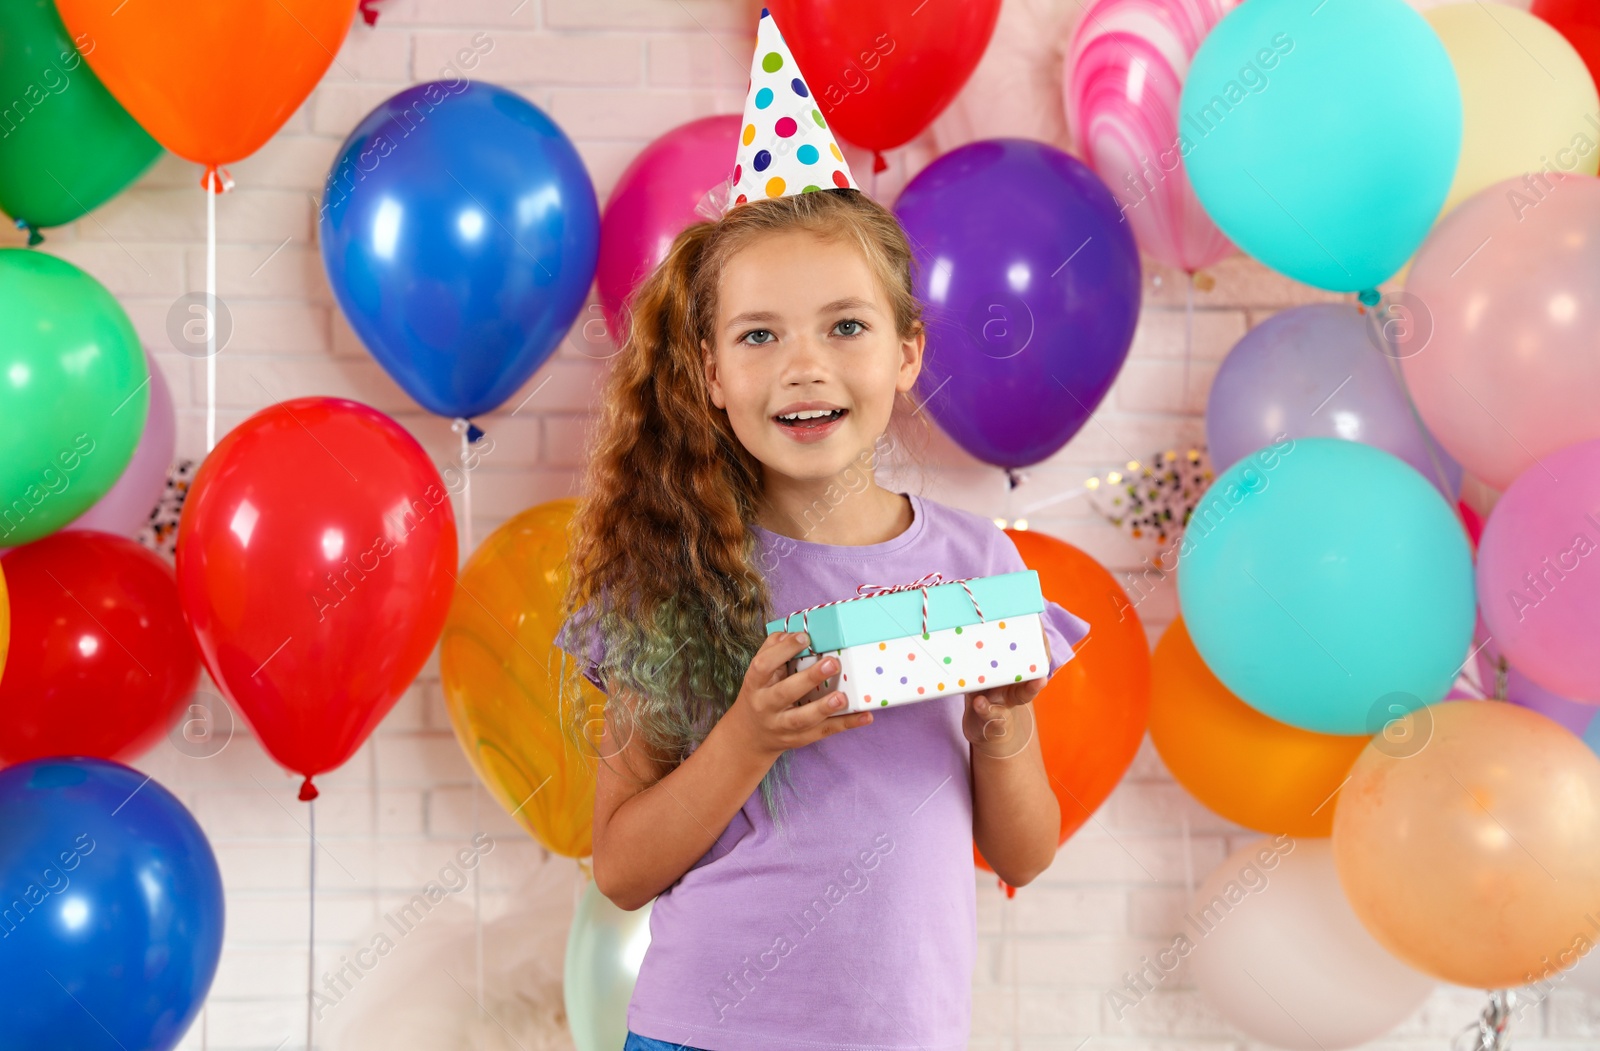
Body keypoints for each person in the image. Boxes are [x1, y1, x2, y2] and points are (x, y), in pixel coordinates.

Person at [552, 10, 1090, 1051]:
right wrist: (747, 738)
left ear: (904, 350)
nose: (805, 366)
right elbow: (620, 869)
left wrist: (1001, 724)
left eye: (845, 326)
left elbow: (1024, 855)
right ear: (711, 374)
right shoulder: (677, 571)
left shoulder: (978, 566)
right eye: (759, 335)